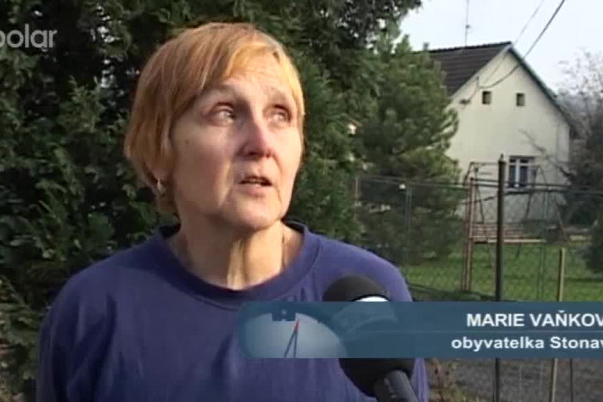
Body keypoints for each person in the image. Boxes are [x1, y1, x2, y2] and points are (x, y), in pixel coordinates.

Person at [36, 22, 429, 402]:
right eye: (225, 112)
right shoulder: (94, 311)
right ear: (158, 151)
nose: (261, 143)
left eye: (280, 115)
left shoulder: (372, 295)